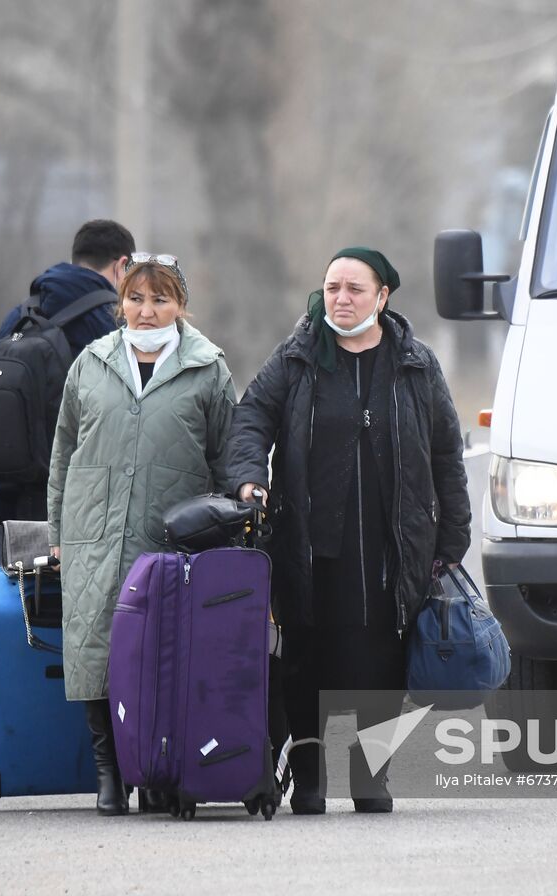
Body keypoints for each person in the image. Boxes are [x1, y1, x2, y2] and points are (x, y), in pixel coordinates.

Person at [226, 246, 470, 815]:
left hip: (391, 546)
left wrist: (452, 536)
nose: (340, 299)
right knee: (307, 657)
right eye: (332, 287)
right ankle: (309, 777)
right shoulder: (297, 357)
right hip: (311, 545)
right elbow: (252, 417)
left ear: (383, 297)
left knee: (381, 663)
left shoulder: (415, 363)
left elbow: (445, 454)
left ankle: (371, 776)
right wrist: (246, 480)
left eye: (354, 289)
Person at [46, 253, 237, 816]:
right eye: (136, 298)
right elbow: (62, 455)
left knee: (164, 653)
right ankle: (110, 772)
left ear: (181, 306)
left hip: (170, 540)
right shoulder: (91, 363)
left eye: (161, 299)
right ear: (120, 303)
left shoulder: (208, 368)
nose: (147, 311)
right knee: (98, 650)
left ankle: (159, 765)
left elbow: (227, 458)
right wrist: (57, 533)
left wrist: (228, 530)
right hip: (94, 534)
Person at [0, 219, 136, 522]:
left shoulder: (21, 314)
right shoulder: (112, 322)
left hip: (14, 488)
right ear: (122, 266)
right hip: (85, 495)